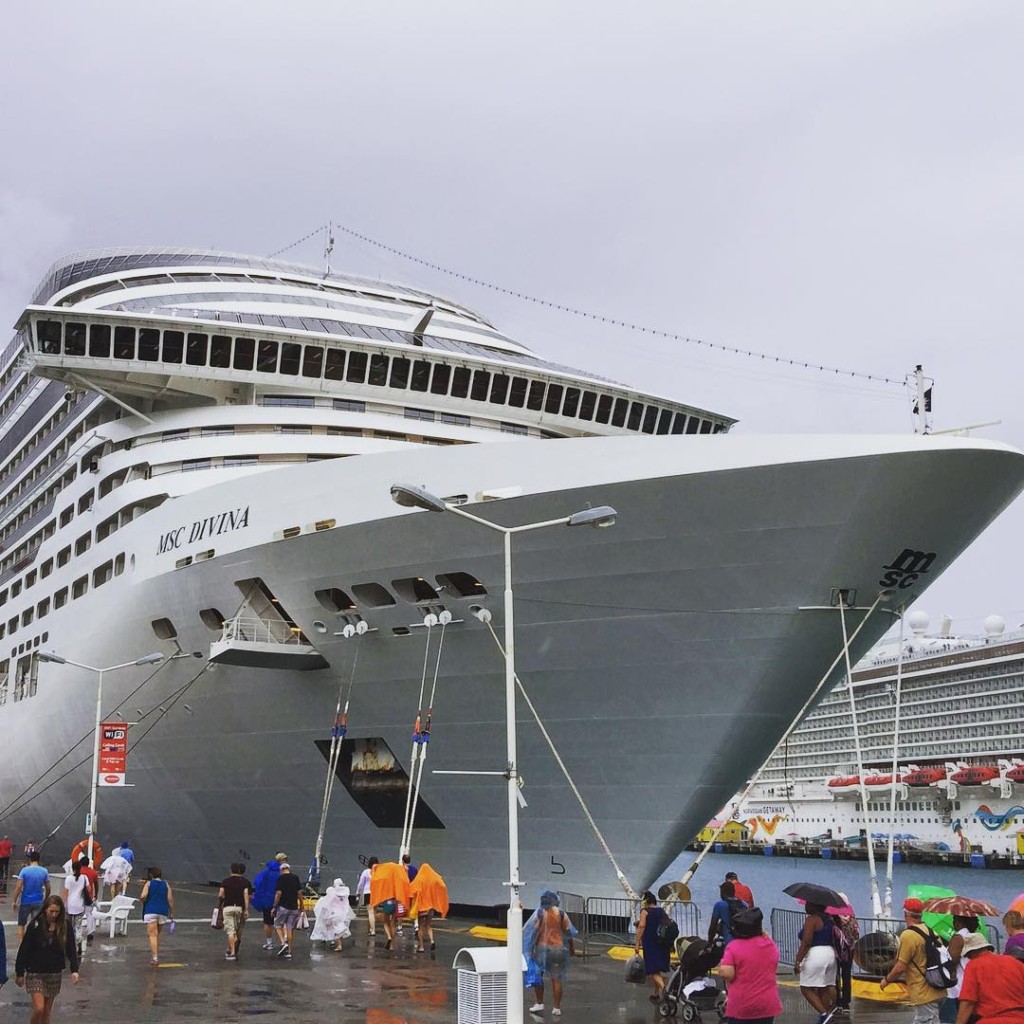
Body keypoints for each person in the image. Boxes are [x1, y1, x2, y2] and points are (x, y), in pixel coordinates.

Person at [880, 897, 946, 1024]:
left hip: (923, 992)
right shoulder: (930, 930)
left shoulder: (908, 935)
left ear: (906, 914)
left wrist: (886, 980)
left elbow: (900, 966)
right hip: (938, 987)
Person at [15, 894, 80, 1022]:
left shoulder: (65, 925)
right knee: (39, 1008)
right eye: (51, 911)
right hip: (35, 971)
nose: (54, 914)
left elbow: (71, 948)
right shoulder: (35, 925)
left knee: (46, 1012)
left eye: (57, 911)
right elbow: (25, 949)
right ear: (45, 909)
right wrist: (20, 972)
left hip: (54, 972)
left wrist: (74, 970)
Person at [718, 906, 783, 1023]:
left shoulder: (733, 947)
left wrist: (721, 968)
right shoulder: (769, 944)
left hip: (742, 1004)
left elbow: (728, 974)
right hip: (767, 1004)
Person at [525, 889, 576, 1017]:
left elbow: (535, 933)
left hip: (542, 949)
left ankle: (539, 1002)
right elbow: (568, 933)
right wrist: (572, 948)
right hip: (558, 949)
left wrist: (530, 949)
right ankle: (556, 1007)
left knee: (538, 976)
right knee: (556, 979)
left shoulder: (540, 913)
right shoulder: (562, 914)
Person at [954, 931, 1024, 1023]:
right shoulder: (1015, 962)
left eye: (968, 956)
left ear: (972, 952)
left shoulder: (974, 965)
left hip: (990, 1020)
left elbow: (968, 1002)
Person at [794, 901, 837, 1024]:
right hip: (830, 954)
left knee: (806, 987)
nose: (805, 906)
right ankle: (827, 1014)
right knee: (823, 987)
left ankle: (824, 1014)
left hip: (816, 954)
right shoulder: (830, 919)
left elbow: (807, 942)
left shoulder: (811, 920)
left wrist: (798, 960)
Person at [940, 914, 979, 1023]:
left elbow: (951, 961)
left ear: (959, 922)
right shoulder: (974, 936)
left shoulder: (958, 937)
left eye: (954, 920)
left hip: (957, 987)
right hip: (970, 984)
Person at [635, 890, 671, 1002]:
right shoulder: (662, 911)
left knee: (652, 970)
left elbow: (641, 926)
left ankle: (665, 990)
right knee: (657, 969)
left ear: (646, 901)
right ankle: (656, 993)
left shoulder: (644, 912)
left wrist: (637, 943)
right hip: (662, 943)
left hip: (650, 943)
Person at [409, 862, 449, 953]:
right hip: (431, 907)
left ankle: (421, 947)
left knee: (420, 926)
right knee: (428, 926)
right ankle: (432, 940)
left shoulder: (420, 879)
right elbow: (442, 884)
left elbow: (412, 889)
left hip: (422, 907)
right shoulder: (434, 879)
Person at [13, 850, 51, 944]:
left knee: (21, 924)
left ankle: (22, 945)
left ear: (30, 859)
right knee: (37, 924)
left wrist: (14, 901)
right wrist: (46, 898)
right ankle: (35, 944)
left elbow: (18, 887)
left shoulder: (24, 871)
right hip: (38, 901)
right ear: (39, 859)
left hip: (25, 901)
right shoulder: (44, 871)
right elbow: (48, 888)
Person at [139, 866, 174, 965]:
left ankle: (155, 958)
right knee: (157, 933)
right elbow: (170, 899)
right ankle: (155, 954)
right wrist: (171, 912)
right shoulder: (166, 884)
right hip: (163, 911)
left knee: (152, 935)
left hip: (151, 910)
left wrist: (142, 900)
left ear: (151, 875)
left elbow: (143, 896)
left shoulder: (149, 883)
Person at [309, 878, 355, 951]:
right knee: (339, 929)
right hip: (342, 914)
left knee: (335, 929)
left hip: (334, 914)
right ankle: (337, 943)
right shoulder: (345, 894)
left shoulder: (333, 893)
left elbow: (326, 902)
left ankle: (337, 944)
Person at [832, 893, 860, 1016]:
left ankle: (837, 1001)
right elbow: (856, 934)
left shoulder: (834, 916)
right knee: (846, 976)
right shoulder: (851, 916)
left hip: (837, 950)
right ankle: (846, 1002)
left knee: (836, 976)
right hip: (849, 951)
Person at [218, 862, 252, 960]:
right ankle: (235, 944)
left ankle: (231, 952)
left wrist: (223, 900)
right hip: (239, 908)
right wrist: (246, 909)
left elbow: (220, 895)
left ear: (231, 870)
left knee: (230, 931)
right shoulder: (246, 882)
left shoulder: (225, 881)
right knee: (238, 928)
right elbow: (247, 895)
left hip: (228, 907)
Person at [251, 856, 283, 951]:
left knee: (268, 923)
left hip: (267, 901)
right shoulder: (281, 873)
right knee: (282, 923)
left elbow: (257, 883)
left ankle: (269, 943)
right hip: (281, 900)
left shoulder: (265, 872)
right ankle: (284, 942)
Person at [272, 862, 303, 958]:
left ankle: (283, 942)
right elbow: (300, 893)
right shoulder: (295, 878)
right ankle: (289, 951)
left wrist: (274, 906)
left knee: (277, 925)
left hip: (283, 906)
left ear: (281, 870)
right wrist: (301, 905)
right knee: (289, 928)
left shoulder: (280, 878)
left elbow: (278, 894)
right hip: (293, 907)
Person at [61, 859, 92, 956]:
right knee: (78, 927)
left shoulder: (69, 879)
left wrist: (62, 903)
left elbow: (65, 893)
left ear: (72, 869)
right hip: (80, 906)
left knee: (68, 927)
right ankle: (78, 946)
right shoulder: (84, 878)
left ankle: (68, 946)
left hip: (69, 906)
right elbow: (89, 889)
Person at [709, 881, 747, 947]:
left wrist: (709, 942)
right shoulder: (744, 904)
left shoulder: (720, 905)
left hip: (730, 943)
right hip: (745, 941)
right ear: (734, 892)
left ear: (723, 892)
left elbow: (713, 927)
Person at [77, 857, 99, 945]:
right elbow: (96, 885)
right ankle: (90, 932)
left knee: (78, 915)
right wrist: (96, 895)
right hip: (89, 897)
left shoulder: (79, 871)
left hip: (79, 897)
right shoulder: (93, 872)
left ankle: (78, 932)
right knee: (89, 914)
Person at [355, 857, 378, 938]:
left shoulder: (365, 872)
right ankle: (371, 928)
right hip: (376, 893)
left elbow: (361, 883)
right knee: (374, 912)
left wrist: (358, 892)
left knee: (370, 912)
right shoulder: (378, 872)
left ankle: (373, 930)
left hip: (368, 892)